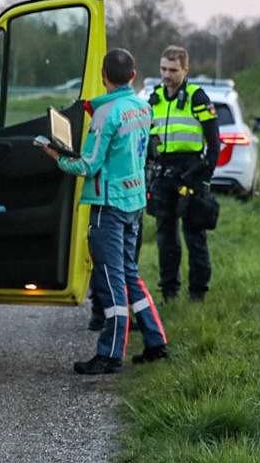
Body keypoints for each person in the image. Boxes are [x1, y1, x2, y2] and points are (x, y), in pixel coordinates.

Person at [42, 48, 170, 374]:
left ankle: (110, 355)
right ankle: (156, 342)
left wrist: (56, 156)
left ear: (103, 75)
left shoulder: (106, 114)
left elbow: (88, 164)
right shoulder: (143, 107)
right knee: (130, 274)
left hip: (108, 206)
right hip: (134, 202)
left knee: (111, 281)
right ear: (133, 75)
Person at [146, 46, 222, 301]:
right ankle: (169, 291)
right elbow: (147, 139)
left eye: (173, 70)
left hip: (191, 172)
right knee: (165, 237)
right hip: (163, 174)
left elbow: (214, 143)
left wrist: (204, 176)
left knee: (194, 236)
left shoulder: (197, 97)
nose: (166, 75)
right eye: (163, 69)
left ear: (185, 70)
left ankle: (198, 293)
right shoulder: (154, 98)